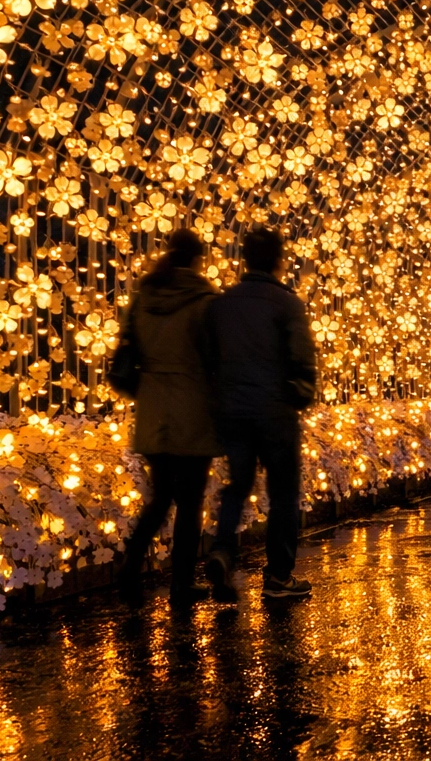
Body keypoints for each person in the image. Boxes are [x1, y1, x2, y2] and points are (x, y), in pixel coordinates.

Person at [206, 227, 317, 601]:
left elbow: (209, 357)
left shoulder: (223, 303)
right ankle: (279, 577)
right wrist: (299, 394)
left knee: (238, 486)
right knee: (283, 492)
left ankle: (223, 550)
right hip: (274, 411)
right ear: (278, 260)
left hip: (233, 412)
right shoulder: (286, 303)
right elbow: (302, 359)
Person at [115, 229, 220, 608]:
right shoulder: (205, 301)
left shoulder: (144, 297)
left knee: (161, 497)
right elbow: (215, 356)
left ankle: (129, 566)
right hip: (192, 407)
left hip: (154, 407)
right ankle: (181, 584)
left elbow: (128, 352)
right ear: (196, 260)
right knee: (191, 500)